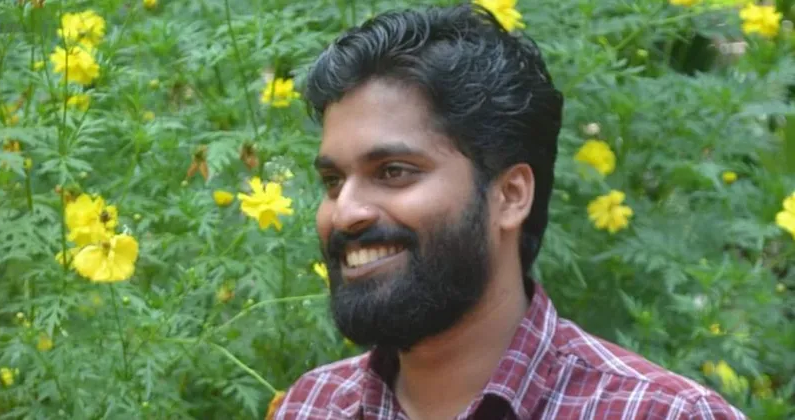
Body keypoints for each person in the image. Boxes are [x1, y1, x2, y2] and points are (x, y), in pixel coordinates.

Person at [272, 4, 747, 419]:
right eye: (333, 181)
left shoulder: (661, 413)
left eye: (393, 171)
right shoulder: (312, 406)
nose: (345, 213)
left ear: (512, 195)